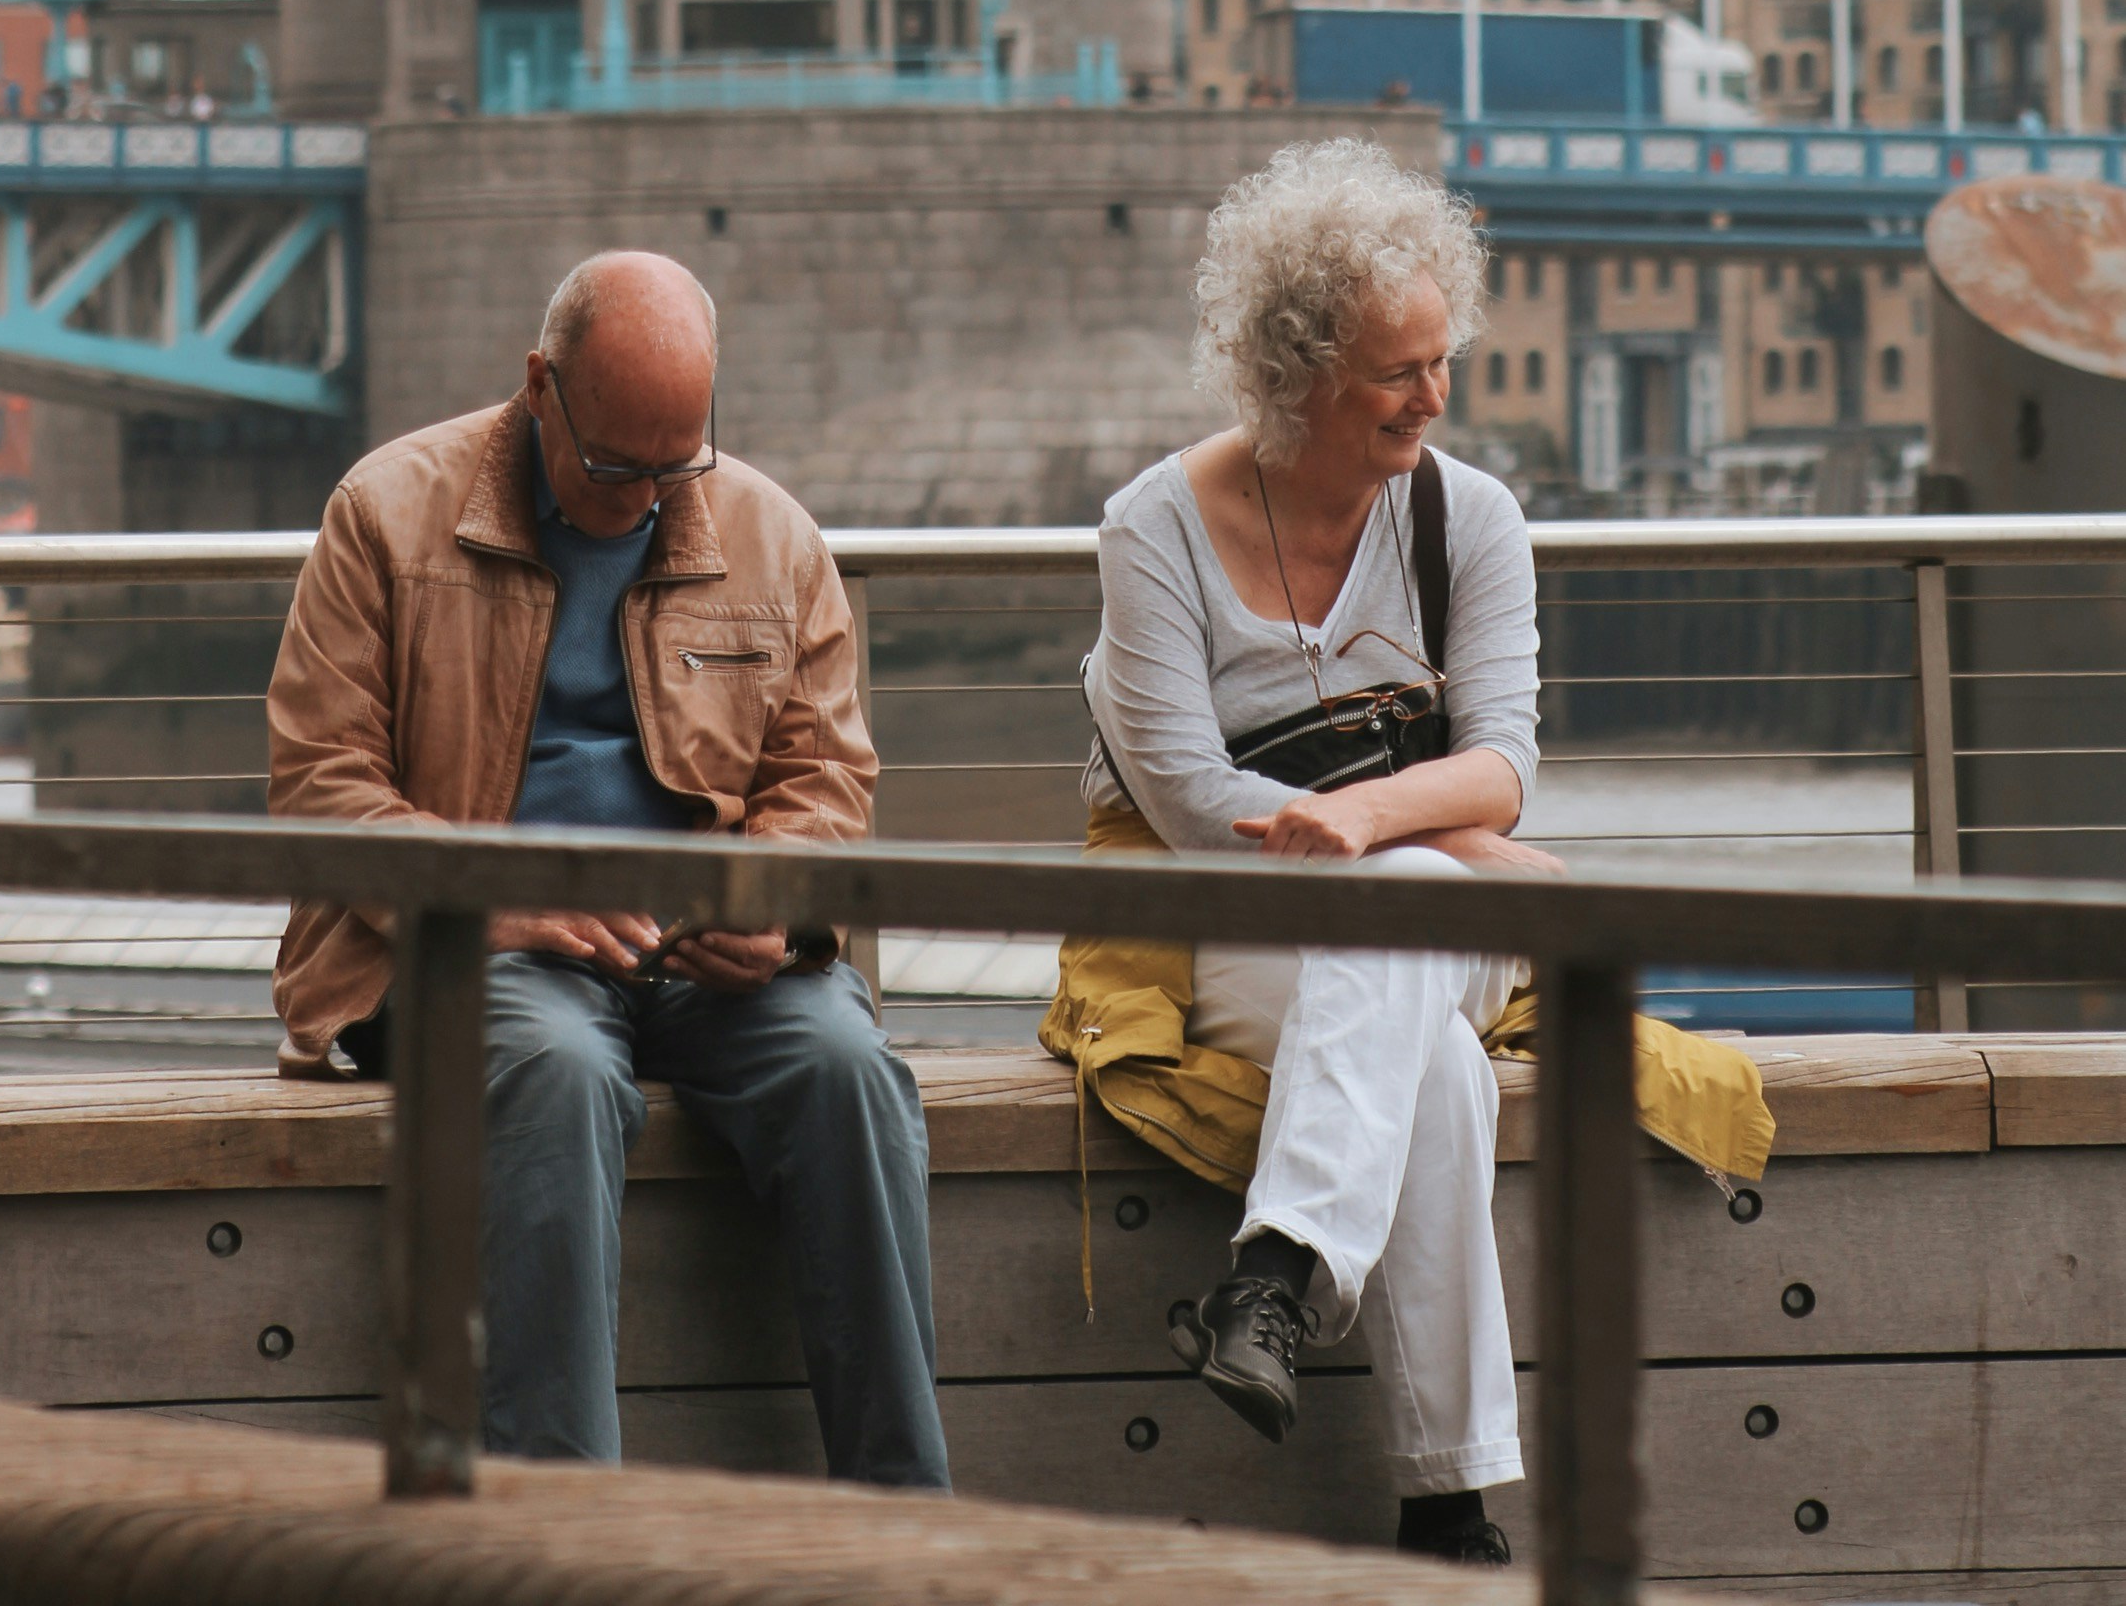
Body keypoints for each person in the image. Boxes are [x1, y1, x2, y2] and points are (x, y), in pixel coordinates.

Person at [266, 247, 948, 1488]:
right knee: (557, 1074)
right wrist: (492, 901)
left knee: (850, 1068)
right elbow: (322, 783)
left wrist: (778, 913)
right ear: (540, 384)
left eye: (675, 464)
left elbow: (824, 782)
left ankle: (909, 1522)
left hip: (699, 944)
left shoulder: (772, 535)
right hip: (481, 942)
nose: (642, 498)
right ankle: (568, 1537)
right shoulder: (383, 510)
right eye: (615, 465)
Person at [1078, 139, 1545, 1565]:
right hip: (1247, 925)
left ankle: (1278, 1273)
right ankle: (1444, 1509)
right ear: (1294, 373)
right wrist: (1430, 826)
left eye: (1439, 358)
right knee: (1444, 1075)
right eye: (1396, 371)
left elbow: (1507, 762)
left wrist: (1369, 815)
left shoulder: (1470, 520)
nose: (1433, 394)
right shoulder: (1151, 529)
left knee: (1400, 912)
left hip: (1416, 914)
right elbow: (1175, 795)